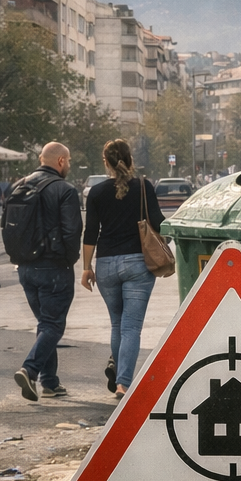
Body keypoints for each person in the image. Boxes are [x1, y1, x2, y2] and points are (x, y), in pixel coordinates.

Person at [81, 139, 165, 400]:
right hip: (139, 263)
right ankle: (123, 384)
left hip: (106, 264)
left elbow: (91, 233)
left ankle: (121, 377)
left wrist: (86, 268)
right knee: (131, 327)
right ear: (130, 158)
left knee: (117, 325)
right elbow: (158, 223)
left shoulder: (95, 193)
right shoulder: (143, 187)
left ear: (105, 161)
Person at [10, 142, 82, 401]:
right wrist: (69, 260)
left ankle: (50, 383)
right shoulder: (65, 190)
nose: (69, 165)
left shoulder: (19, 186)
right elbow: (73, 232)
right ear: (61, 161)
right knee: (53, 324)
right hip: (54, 267)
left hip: (25, 268)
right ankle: (29, 370)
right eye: (69, 160)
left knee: (45, 324)